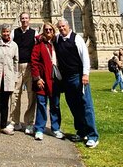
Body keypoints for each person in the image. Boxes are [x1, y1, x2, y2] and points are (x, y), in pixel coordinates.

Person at [54, 19, 99, 148]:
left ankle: (92, 136)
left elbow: (85, 56)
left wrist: (85, 74)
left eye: (63, 26)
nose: (62, 29)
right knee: (74, 106)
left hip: (78, 77)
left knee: (86, 105)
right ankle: (81, 131)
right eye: (60, 27)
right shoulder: (58, 40)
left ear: (68, 26)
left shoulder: (77, 39)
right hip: (66, 79)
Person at [30, 23, 64, 140]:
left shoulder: (58, 43)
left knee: (55, 105)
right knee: (41, 104)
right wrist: (37, 78)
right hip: (43, 80)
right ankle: (39, 129)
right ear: (43, 31)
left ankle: (55, 128)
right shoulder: (39, 44)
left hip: (55, 80)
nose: (48, 31)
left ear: (53, 31)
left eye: (50, 29)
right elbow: (34, 62)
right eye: (46, 30)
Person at [9, 12, 37, 135]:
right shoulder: (14, 32)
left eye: (26, 18)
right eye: (22, 18)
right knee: (15, 94)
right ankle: (14, 122)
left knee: (32, 95)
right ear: (20, 20)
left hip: (30, 67)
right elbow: (8, 46)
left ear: (29, 20)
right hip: (17, 67)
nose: (24, 20)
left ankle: (29, 123)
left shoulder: (34, 33)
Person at [0, 23, 19, 137]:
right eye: (4, 32)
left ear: (10, 32)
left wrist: (15, 77)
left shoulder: (14, 45)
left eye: (7, 31)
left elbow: (16, 62)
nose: (6, 33)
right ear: (1, 33)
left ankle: (3, 125)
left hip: (8, 78)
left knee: (5, 103)